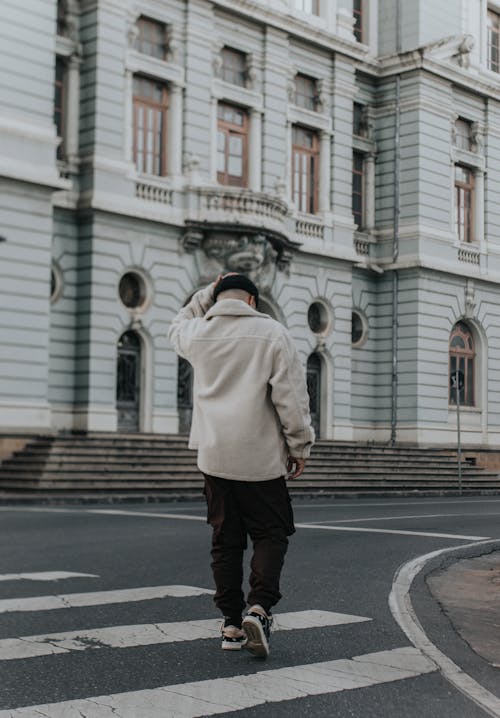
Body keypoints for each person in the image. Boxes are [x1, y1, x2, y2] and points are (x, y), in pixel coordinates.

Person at [169, 273, 315, 658]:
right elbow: (292, 399)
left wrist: (205, 294)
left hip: (215, 458)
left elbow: (175, 325)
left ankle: (231, 625)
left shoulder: (199, 333)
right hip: (261, 458)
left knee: (225, 540)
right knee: (270, 534)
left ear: (218, 299)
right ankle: (259, 608)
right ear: (252, 301)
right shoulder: (273, 335)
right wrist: (300, 445)